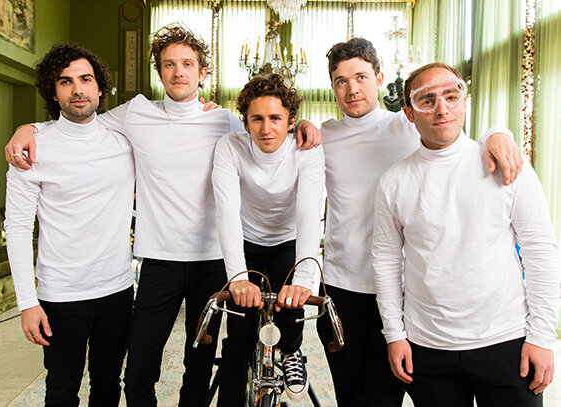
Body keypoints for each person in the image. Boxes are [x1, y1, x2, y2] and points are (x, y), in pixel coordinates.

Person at [4, 23, 321, 407]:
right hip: (158, 263)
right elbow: (80, 120)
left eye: (187, 64)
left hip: (211, 262)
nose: (178, 72)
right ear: (159, 71)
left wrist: (304, 124)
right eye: (169, 64)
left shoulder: (224, 121)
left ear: (203, 72)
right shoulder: (135, 113)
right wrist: (29, 128)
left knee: (199, 366)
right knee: (138, 371)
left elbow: (271, 125)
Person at [316, 37, 525, 407]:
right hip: (343, 284)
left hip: (403, 289)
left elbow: (452, 127)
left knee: (391, 393)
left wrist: (498, 132)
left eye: (361, 77)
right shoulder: (322, 136)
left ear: (379, 78)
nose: (352, 89)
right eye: (341, 81)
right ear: (332, 87)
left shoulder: (408, 123)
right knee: (350, 394)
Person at [372, 62, 559, 407]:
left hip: (506, 339)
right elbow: (385, 261)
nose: (441, 108)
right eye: (427, 100)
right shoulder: (393, 182)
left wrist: (543, 336)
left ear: (465, 101)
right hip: (428, 345)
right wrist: (394, 334)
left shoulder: (507, 164)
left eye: (451, 96)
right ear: (410, 113)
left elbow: (540, 250)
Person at [4, 43, 135, 406]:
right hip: (61, 294)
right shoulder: (31, 149)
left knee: (108, 387)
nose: (78, 89)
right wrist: (27, 303)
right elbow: (17, 228)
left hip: (117, 289)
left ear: (100, 88)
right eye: (66, 81)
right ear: (53, 91)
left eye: (85, 79)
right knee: (62, 391)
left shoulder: (124, 140)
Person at [212, 74, 325, 404]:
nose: (266, 128)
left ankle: (291, 352)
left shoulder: (306, 150)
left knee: (289, 310)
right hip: (246, 240)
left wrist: (303, 281)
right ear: (245, 121)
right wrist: (237, 278)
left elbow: (309, 214)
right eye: (257, 119)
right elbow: (226, 213)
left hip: (287, 241)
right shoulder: (230, 147)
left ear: (291, 120)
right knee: (239, 336)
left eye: (275, 118)